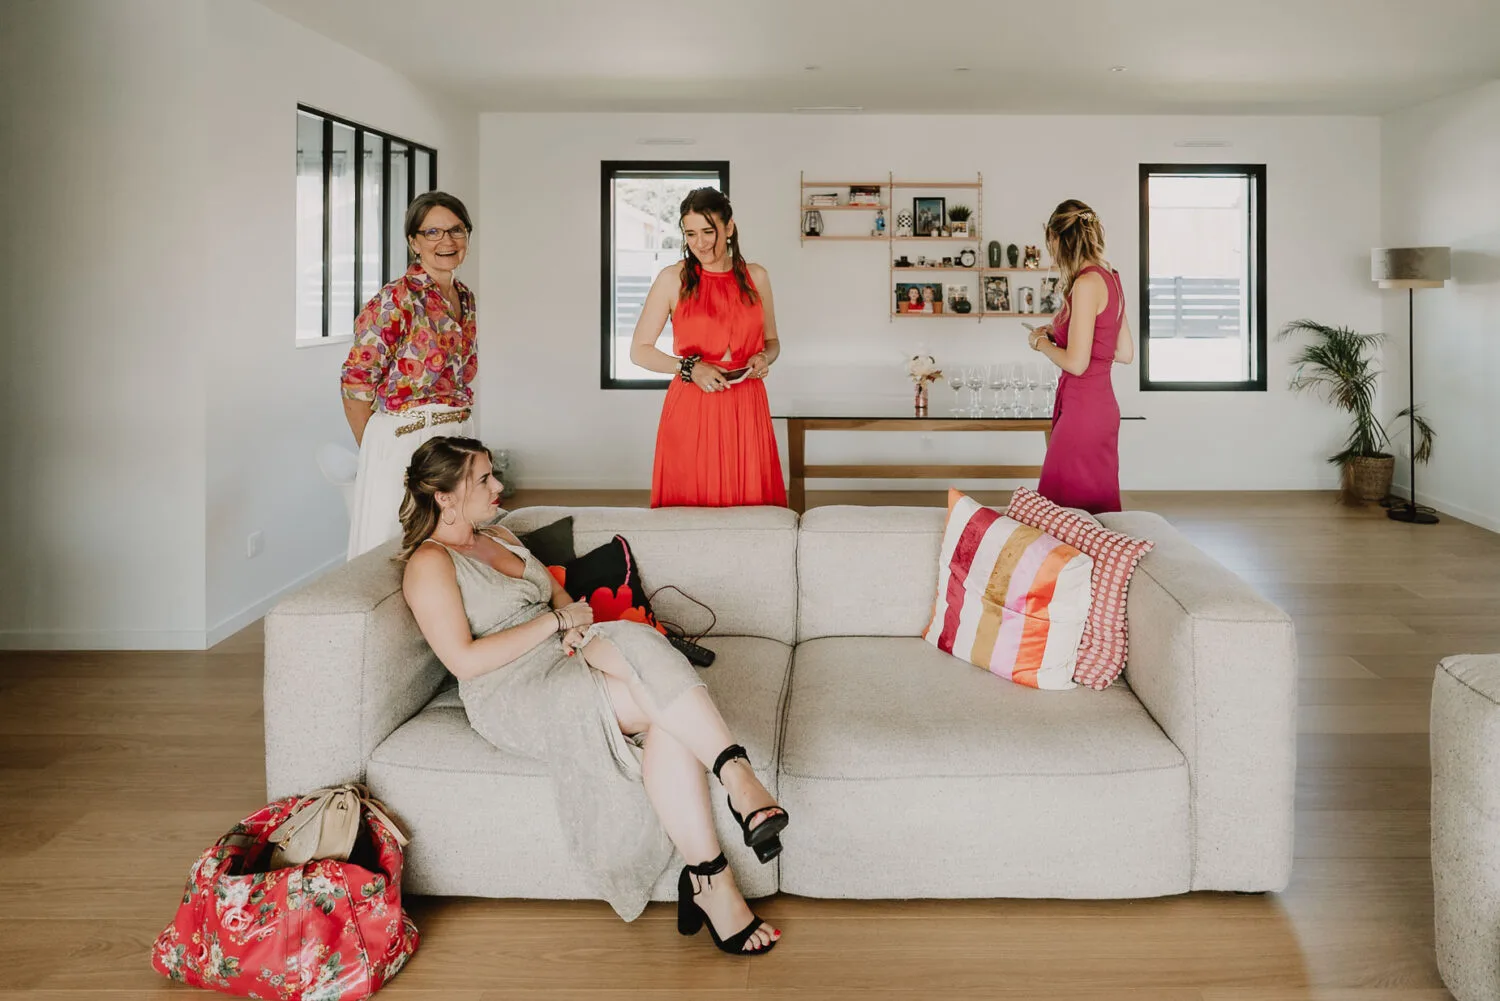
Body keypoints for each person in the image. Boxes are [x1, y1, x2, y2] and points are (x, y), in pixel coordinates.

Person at [398, 436, 788, 954]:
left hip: (566, 650)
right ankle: (730, 805)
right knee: (666, 703)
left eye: (494, 475)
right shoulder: (430, 563)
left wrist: (573, 622)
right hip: (513, 689)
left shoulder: (496, 533)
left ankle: (716, 859)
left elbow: (556, 594)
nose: (500, 486)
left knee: (644, 653)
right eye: (484, 479)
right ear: (444, 496)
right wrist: (556, 622)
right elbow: (464, 660)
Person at [340, 191, 478, 560]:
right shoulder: (394, 299)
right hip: (405, 442)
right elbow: (355, 385)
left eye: (456, 230)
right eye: (432, 232)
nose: (446, 241)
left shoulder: (464, 297)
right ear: (413, 241)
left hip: (456, 437)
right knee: (397, 547)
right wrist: (378, 452)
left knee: (454, 548)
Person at [629, 188, 787, 508]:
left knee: (751, 505)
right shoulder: (673, 279)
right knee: (691, 500)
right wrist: (689, 367)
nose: (699, 243)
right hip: (694, 402)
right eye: (690, 233)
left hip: (747, 401)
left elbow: (772, 343)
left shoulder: (757, 276)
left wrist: (763, 358)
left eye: (708, 232)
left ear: (728, 229)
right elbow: (640, 350)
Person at [1025, 199, 1136, 514]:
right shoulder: (1110, 277)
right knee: (1094, 511)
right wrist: (1061, 330)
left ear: (1060, 239)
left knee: (1063, 511)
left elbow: (1076, 363)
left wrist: (1041, 344)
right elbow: (1124, 352)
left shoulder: (1085, 284)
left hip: (1081, 413)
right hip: (1103, 409)